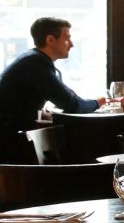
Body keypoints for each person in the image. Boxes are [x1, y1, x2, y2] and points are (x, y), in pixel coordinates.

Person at [0, 17, 101, 148]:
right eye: (67, 38)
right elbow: (72, 104)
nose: (71, 44)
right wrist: (99, 102)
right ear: (50, 40)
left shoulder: (32, 59)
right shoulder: (36, 64)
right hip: (9, 142)